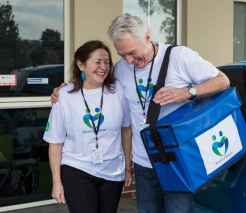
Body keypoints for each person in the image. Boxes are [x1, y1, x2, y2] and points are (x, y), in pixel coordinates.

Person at [52, 15, 230, 213]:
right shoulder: (122, 69)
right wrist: (64, 89)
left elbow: (223, 81)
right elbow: (93, 83)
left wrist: (188, 92)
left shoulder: (180, 57)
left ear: (147, 37)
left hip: (176, 161)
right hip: (143, 163)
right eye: (122, 54)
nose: (129, 60)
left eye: (132, 53)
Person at [44, 40, 132, 213]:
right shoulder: (64, 96)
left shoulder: (118, 91)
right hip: (77, 168)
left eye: (107, 62)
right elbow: (55, 142)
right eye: (98, 61)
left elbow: (126, 131)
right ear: (81, 64)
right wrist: (56, 181)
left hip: (112, 171)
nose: (103, 67)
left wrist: (127, 167)